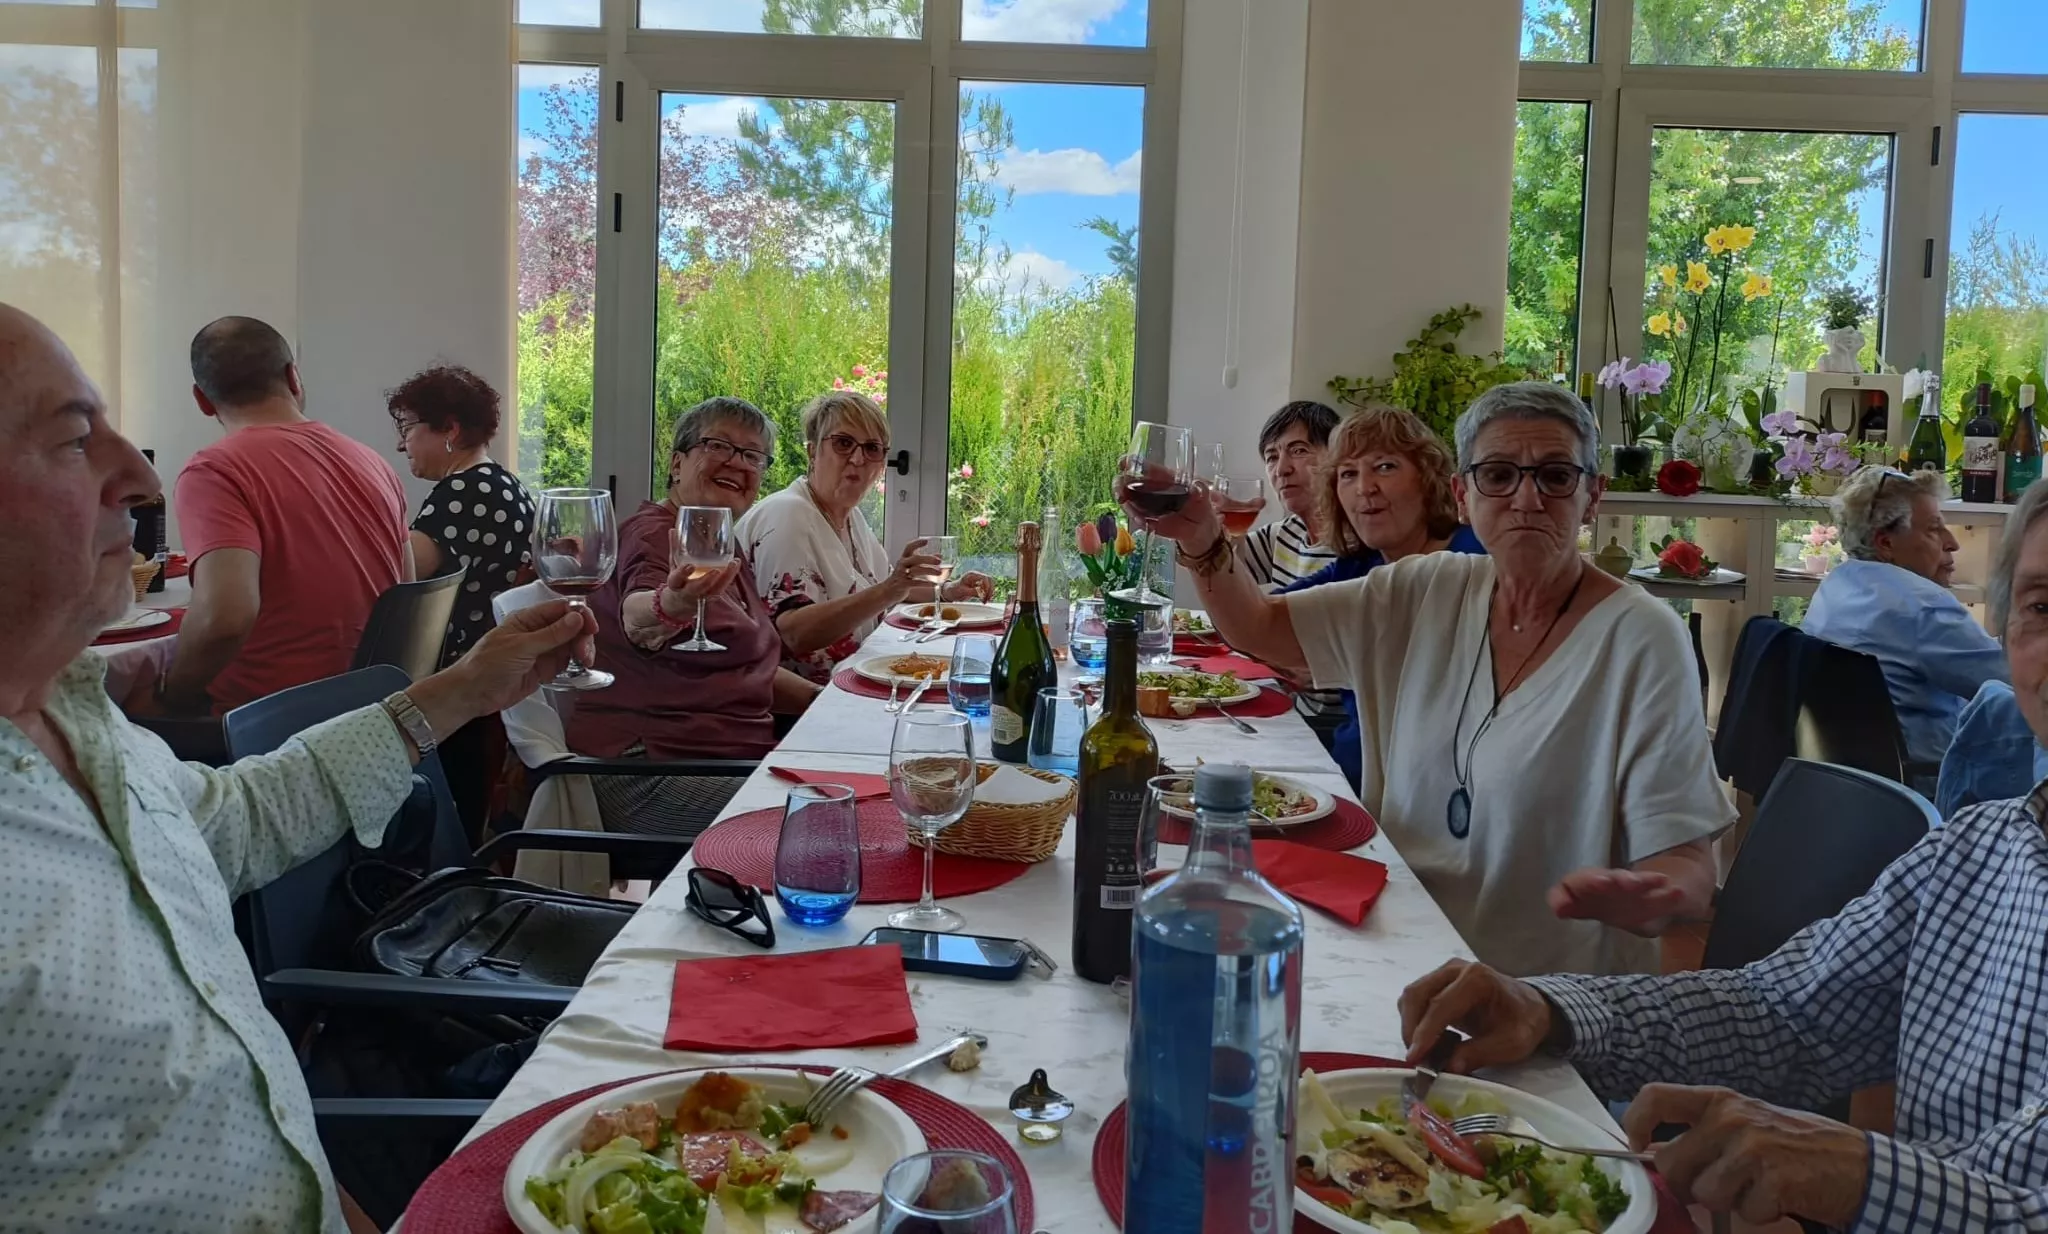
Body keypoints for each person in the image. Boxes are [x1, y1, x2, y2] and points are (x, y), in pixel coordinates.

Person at [0, 301, 594, 1233]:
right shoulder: (359, 459)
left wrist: (467, 689)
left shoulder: (81, 723)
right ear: (297, 382)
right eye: (78, 440)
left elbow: (233, 819)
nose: (138, 474)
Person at [1394, 479, 2048, 1230]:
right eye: (2042, 606)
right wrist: (1549, 1008)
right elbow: (1785, 1013)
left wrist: (1865, 1177)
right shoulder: (1977, 853)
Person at [1125, 381, 1727, 977]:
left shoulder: (1641, 636)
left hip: (1531, 990)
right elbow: (1258, 626)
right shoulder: (1424, 587)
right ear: (1463, 494)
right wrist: (1202, 539)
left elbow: (1685, 859)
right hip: (1392, 943)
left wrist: (1658, 894)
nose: (1526, 498)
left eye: (1555, 476)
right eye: (1498, 475)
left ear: (1593, 495)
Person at [565, 396, 821, 835]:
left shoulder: (717, 540)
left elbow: (744, 669)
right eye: (718, 445)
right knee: (831, 821)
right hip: (653, 772)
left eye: (752, 455)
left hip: (726, 761)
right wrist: (671, 605)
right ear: (677, 463)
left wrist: (829, 703)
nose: (737, 463)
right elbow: (639, 618)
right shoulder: (654, 535)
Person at [150, 316, 410, 716]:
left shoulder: (215, 471)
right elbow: (406, 592)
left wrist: (172, 696)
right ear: (293, 377)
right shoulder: (372, 462)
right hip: (370, 713)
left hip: (265, 725)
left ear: (202, 400)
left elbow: (225, 619)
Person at [1277, 406, 1486, 791]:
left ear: (1426, 479)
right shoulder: (1357, 567)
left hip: (1445, 800)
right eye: (1348, 474)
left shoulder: (1473, 559)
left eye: (1385, 467)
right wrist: (1204, 541)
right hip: (1351, 781)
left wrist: (1340, 652)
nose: (1365, 488)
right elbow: (1262, 624)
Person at [736, 390, 992, 684]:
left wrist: (948, 591)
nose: (858, 459)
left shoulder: (850, 517)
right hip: (804, 707)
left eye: (872, 448)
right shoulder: (787, 516)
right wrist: (889, 591)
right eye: (843, 443)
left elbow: (886, 588)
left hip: (855, 680)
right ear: (812, 450)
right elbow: (793, 634)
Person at [1804, 465, 2007, 787]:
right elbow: (2019, 680)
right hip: (1932, 783)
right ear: (1885, 543)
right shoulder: (1922, 607)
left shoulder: (1839, 584)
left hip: (1851, 783)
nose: (1952, 542)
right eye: (1934, 529)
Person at [388, 363, 536, 665]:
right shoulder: (502, 482)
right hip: (495, 660)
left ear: (450, 430)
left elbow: (395, 574)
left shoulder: (465, 492)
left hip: (463, 670)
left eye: (407, 428)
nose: (401, 445)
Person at [1235, 399, 1341, 588]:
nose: (1281, 469)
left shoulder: (1364, 541)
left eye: (1299, 450)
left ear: (1337, 456)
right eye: (1272, 457)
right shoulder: (1284, 534)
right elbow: (1216, 570)